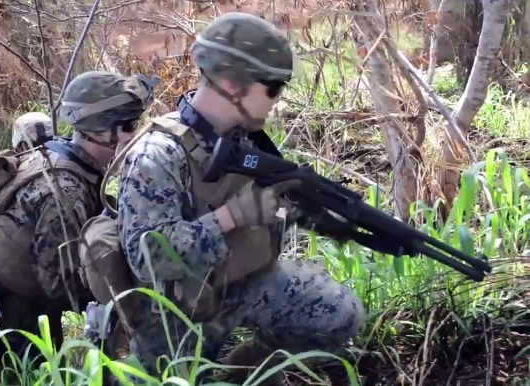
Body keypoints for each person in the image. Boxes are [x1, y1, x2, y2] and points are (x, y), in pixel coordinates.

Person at [114, 12, 365, 384]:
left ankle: (242, 374)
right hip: (174, 313)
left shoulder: (241, 139)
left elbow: (280, 204)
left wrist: (326, 217)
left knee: (339, 312)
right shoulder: (157, 155)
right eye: (274, 88)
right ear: (233, 85)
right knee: (170, 379)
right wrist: (231, 217)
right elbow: (148, 258)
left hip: (239, 282)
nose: (278, 100)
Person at [0, 71, 156, 385]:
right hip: (14, 323)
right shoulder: (64, 191)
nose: (136, 133)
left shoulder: (57, 157)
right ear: (101, 131)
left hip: (15, 305)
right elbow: (60, 286)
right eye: (130, 125)